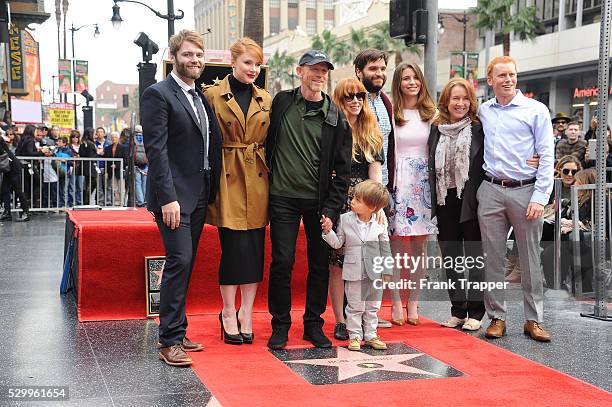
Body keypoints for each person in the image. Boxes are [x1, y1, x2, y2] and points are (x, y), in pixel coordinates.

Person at [141, 29, 222, 366]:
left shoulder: (200, 97)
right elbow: (156, 151)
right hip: (173, 196)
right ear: (174, 57)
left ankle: (178, 328)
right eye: (188, 55)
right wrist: (167, 198)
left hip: (200, 192)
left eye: (199, 56)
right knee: (179, 260)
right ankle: (168, 341)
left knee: (185, 264)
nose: (195, 61)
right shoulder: (158, 94)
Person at [266, 50, 352, 350]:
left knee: (318, 264)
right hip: (282, 198)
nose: (319, 75)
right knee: (282, 262)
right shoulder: (282, 103)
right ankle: (280, 325)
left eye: (324, 70)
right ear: (299, 71)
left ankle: (313, 325)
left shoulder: (335, 117)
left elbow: (343, 171)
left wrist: (332, 209)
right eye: (313, 69)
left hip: (318, 203)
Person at [478, 56, 554, 342]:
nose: (508, 80)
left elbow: (547, 155)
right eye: (502, 76)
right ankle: (496, 317)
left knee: (530, 259)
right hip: (491, 190)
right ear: (491, 80)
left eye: (511, 75)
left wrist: (540, 196)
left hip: (526, 190)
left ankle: (533, 320)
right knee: (492, 258)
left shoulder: (536, 110)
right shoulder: (484, 110)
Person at [203, 37, 271, 345]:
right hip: (227, 173)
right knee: (232, 247)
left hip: (257, 177)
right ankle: (228, 311)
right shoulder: (211, 96)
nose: (253, 69)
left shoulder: (266, 99)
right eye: (247, 62)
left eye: (257, 64)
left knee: (255, 248)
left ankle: (247, 313)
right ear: (233, 62)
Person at [327, 77, 384, 340]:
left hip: (364, 201)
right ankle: (341, 319)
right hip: (338, 199)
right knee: (338, 261)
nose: (355, 101)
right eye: (349, 96)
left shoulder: (371, 130)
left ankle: (366, 319)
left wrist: (377, 204)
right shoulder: (331, 128)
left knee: (366, 260)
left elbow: (375, 170)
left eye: (359, 96)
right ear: (339, 99)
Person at [428, 77, 486, 330]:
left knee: (473, 257)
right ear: (446, 102)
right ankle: (457, 310)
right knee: (451, 258)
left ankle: (476, 312)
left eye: (465, 98)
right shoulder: (436, 129)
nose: (460, 103)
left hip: (471, 199)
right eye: (455, 98)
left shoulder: (478, 128)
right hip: (444, 200)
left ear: (471, 102)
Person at [388, 62, 438, 326]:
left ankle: (413, 301)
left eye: (415, 77)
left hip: (424, 184)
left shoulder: (432, 113)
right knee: (396, 247)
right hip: (398, 181)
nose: (411, 82)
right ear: (398, 83)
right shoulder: (391, 112)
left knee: (420, 247)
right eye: (406, 78)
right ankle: (396, 300)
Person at [353, 48, 400, 327]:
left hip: (381, 187)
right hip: (357, 189)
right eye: (373, 69)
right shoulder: (353, 100)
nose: (379, 74)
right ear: (359, 71)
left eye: (382, 69)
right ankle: (353, 315)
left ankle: (369, 314)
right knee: (354, 255)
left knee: (375, 254)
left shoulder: (385, 102)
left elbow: (388, 148)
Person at [322, 180, 392, 351]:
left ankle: (371, 335)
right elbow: (338, 243)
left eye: (358, 200)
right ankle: (354, 336)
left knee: (373, 306)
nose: (352, 201)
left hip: (374, 272)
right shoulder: (345, 219)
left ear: (372, 207)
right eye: (354, 198)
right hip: (353, 271)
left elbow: (385, 248)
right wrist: (327, 231)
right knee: (354, 306)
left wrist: (387, 270)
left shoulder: (380, 223)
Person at [0, 129, 30, 221]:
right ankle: (7, 212)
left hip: (13, 167)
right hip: (7, 168)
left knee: (18, 190)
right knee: (5, 189)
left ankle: (25, 212)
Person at [104, 131, 127, 205]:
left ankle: (122, 202)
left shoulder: (123, 148)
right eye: (112, 137)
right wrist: (106, 171)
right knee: (114, 188)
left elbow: (126, 160)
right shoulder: (107, 148)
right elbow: (106, 161)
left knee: (121, 188)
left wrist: (116, 166)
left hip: (120, 170)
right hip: (111, 171)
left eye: (115, 137)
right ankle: (117, 202)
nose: (114, 139)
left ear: (118, 138)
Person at [79, 128, 98, 205]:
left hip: (85, 166)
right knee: (92, 183)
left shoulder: (83, 143)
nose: (95, 135)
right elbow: (91, 155)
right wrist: (98, 153)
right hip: (89, 166)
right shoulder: (90, 144)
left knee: (88, 184)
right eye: (94, 133)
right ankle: (86, 201)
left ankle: (86, 201)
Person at [133, 125, 148, 207]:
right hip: (145, 163)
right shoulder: (146, 138)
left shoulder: (133, 139)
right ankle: (144, 201)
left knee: (138, 183)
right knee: (144, 183)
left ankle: (140, 201)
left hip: (136, 164)